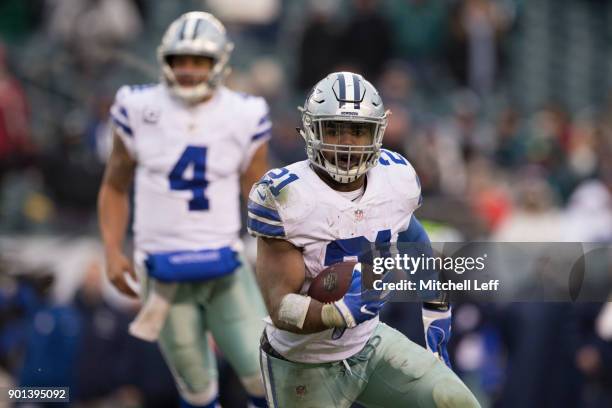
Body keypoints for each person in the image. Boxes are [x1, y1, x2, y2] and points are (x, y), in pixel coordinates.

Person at [248, 72, 480, 407]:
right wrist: (336, 313)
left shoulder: (395, 178)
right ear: (312, 129)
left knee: (455, 402)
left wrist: (435, 307)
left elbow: (412, 236)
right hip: (302, 362)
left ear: (378, 131)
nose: (346, 142)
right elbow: (280, 305)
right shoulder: (285, 196)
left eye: (357, 130)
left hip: (368, 342)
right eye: (334, 128)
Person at [98, 12, 269, 408]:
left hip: (225, 261)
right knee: (197, 388)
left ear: (219, 63)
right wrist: (111, 249)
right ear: (165, 61)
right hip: (161, 269)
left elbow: (258, 194)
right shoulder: (138, 107)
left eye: (198, 61)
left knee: (263, 372)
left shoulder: (244, 113)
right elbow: (114, 185)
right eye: (181, 60)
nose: (188, 70)